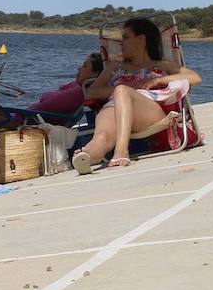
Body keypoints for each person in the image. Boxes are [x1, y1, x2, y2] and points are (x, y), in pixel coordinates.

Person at [73, 18, 201, 173]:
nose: (121, 43)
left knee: (121, 90)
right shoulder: (115, 66)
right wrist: (126, 89)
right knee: (102, 137)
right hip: (116, 106)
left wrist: (158, 80)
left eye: (126, 37)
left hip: (150, 111)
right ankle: (87, 156)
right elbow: (91, 92)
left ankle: (121, 151)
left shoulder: (161, 64)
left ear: (142, 39)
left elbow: (194, 78)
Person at [25, 52, 104, 117]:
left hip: (26, 120)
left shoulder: (78, 93)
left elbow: (47, 99)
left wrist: (46, 96)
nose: (79, 68)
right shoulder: (79, 87)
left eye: (85, 66)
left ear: (94, 73)